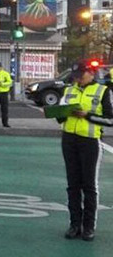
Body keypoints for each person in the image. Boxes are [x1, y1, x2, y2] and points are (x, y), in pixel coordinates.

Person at [58, 60, 113, 241]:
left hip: (89, 141)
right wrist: (57, 112)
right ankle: (75, 224)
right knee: (72, 185)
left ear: (90, 73)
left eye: (80, 76)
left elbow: (110, 120)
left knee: (88, 185)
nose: (78, 80)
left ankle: (88, 227)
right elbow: (59, 116)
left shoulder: (103, 91)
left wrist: (87, 115)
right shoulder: (69, 90)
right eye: (75, 77)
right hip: (69, 139)